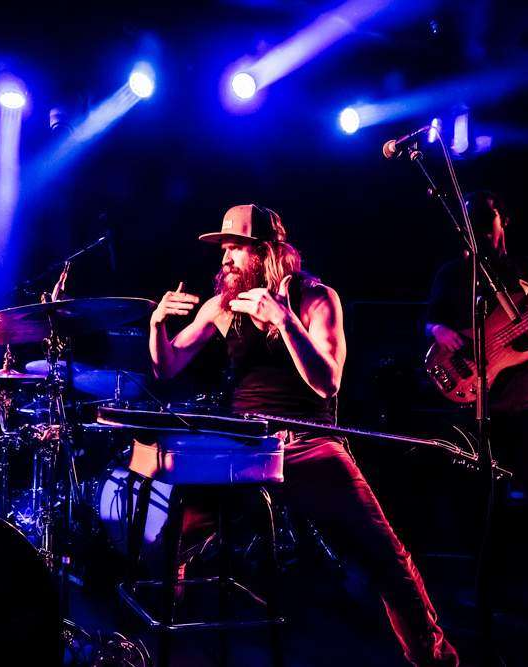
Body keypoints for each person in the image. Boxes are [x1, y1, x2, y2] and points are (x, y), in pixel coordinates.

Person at [150, 204, 459, 666]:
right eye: (224, 251)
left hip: (309, 444)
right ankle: (169, 597)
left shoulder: (317, 298)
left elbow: (327, 381)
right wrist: (156, 324)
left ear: (265, 252)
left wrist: (284, 321)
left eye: (234, 249)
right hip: (244, 444)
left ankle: (436, 659)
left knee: (386, 557)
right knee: (164, 533)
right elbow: (167, 366)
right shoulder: (221, 305)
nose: (224, 261)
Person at [425, 190, 528, 629]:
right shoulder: (454, 273)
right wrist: (440, 330)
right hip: (481, 404)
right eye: (469, 216)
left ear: (504, 220)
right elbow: (430, 318)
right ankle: (488, 591)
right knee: (483, 504)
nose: (476, 221)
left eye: (485, 214)